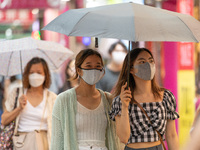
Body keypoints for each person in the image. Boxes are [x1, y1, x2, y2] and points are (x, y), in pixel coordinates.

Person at [109, 48, 179, 150]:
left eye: (151, 61)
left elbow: (171, 135)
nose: (148, 65)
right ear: (131, 69)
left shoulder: (166, 97)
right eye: (142, 62)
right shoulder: (121, 100)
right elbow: (123, 138)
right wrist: (124, 106)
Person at [51, 49, 120, 150]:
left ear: (102, 71)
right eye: (88, 66)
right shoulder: (63, 100)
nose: (93, 70)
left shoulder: (109, 99)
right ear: (78, 70)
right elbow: (57, 142)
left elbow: (117, 137)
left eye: (98, 66)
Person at [1, 57, 57, 149]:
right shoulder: (17, 93)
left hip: (44, 143)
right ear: (26, 74)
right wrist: (19, 108)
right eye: (31, 73)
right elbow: (4, 120)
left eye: (39, 73)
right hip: (21, 143)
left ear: (45, 75)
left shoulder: (52, 98)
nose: (35, 76)